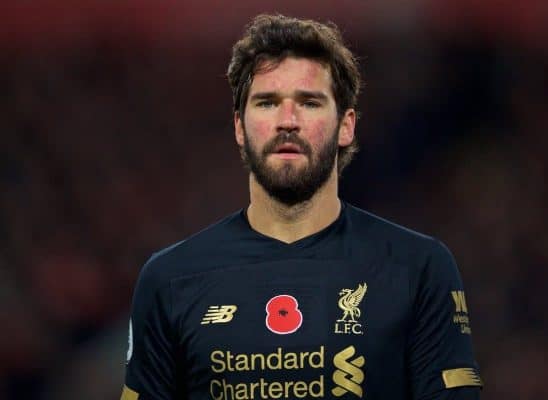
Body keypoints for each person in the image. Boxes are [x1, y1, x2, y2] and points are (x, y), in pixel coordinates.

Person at [121, 14, 482, 400]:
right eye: (267, 102)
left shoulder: (418, 268)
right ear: (240, 127)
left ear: (346, 126)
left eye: (309, 103)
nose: (287, 121)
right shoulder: (171, 280)